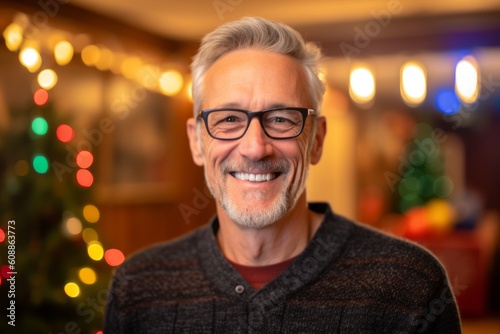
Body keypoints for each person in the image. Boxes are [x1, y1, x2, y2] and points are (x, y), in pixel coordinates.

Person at [104, 17, 461, 333]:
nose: (255, 148)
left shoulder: (409, 287)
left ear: (316, 140)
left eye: (281, 119)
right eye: (229, 119)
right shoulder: (138, 289)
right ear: (197, 142)